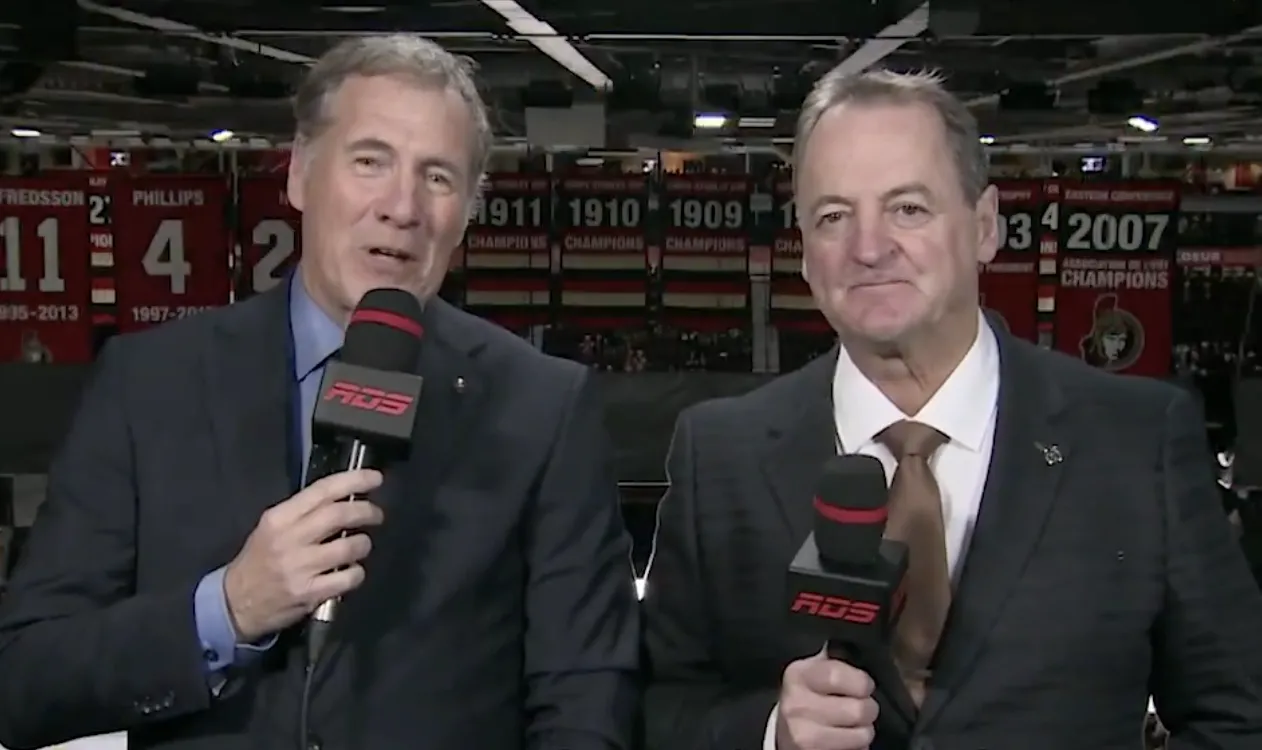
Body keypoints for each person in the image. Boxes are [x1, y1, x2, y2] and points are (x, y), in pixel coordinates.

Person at [0, 34, 639, 750]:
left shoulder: (543, 407)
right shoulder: (147, 383)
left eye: (437, 177)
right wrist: (227, 610)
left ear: (465, 212)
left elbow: (586, 698)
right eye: (370, 161)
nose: (402, 207)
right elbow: (24, 680)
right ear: (300, 174)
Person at [641, 66, 1262, 750]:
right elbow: (658, 711)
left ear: (985, 226)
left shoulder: (1138, 443)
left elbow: (1240, 716)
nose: (869, 248)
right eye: (833, 216)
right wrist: (768, 733)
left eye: (908, 208)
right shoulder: (718, 455)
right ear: (806, 254)